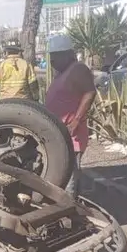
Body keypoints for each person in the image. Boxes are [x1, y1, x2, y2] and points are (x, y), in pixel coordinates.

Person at [43, 34, 96, 196]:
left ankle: (69, 212)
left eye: (56, 56)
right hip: (59, 134)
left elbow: (90, 93)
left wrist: (76, 121)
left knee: (68, 178)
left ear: (67, 54)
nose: (52, 61)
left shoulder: (78, 69)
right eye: (51, 56)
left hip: (71, 135)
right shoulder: (62, 72)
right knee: (64, 176)